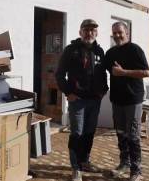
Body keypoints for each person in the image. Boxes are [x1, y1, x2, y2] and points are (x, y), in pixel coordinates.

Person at [55, 19, 108, 181]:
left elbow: (103, 74)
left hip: (94, 100)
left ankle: (85, 161)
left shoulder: (100, 51)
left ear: (96, 33)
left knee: (89, 132)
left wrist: (103, 91)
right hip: (77, 100)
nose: (89, 33)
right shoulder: (71, 50)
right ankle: (76, 168)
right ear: (80, 32)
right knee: (77, 133)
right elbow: (59, 74)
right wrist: (68, 93)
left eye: (92, 30)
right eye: (86, 30)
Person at [103, 22, 149, 181]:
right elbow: (99, 68)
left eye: (120, 32)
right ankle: (124, 163)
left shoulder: (135, 50)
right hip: (117, 100)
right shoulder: (110, 53)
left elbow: (146, 72)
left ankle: (136, 170)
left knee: (133, 136)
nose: (117, 35)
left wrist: (124, 72)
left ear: (127, 33)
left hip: (133, 100)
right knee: (121, 134)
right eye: (114, 33)